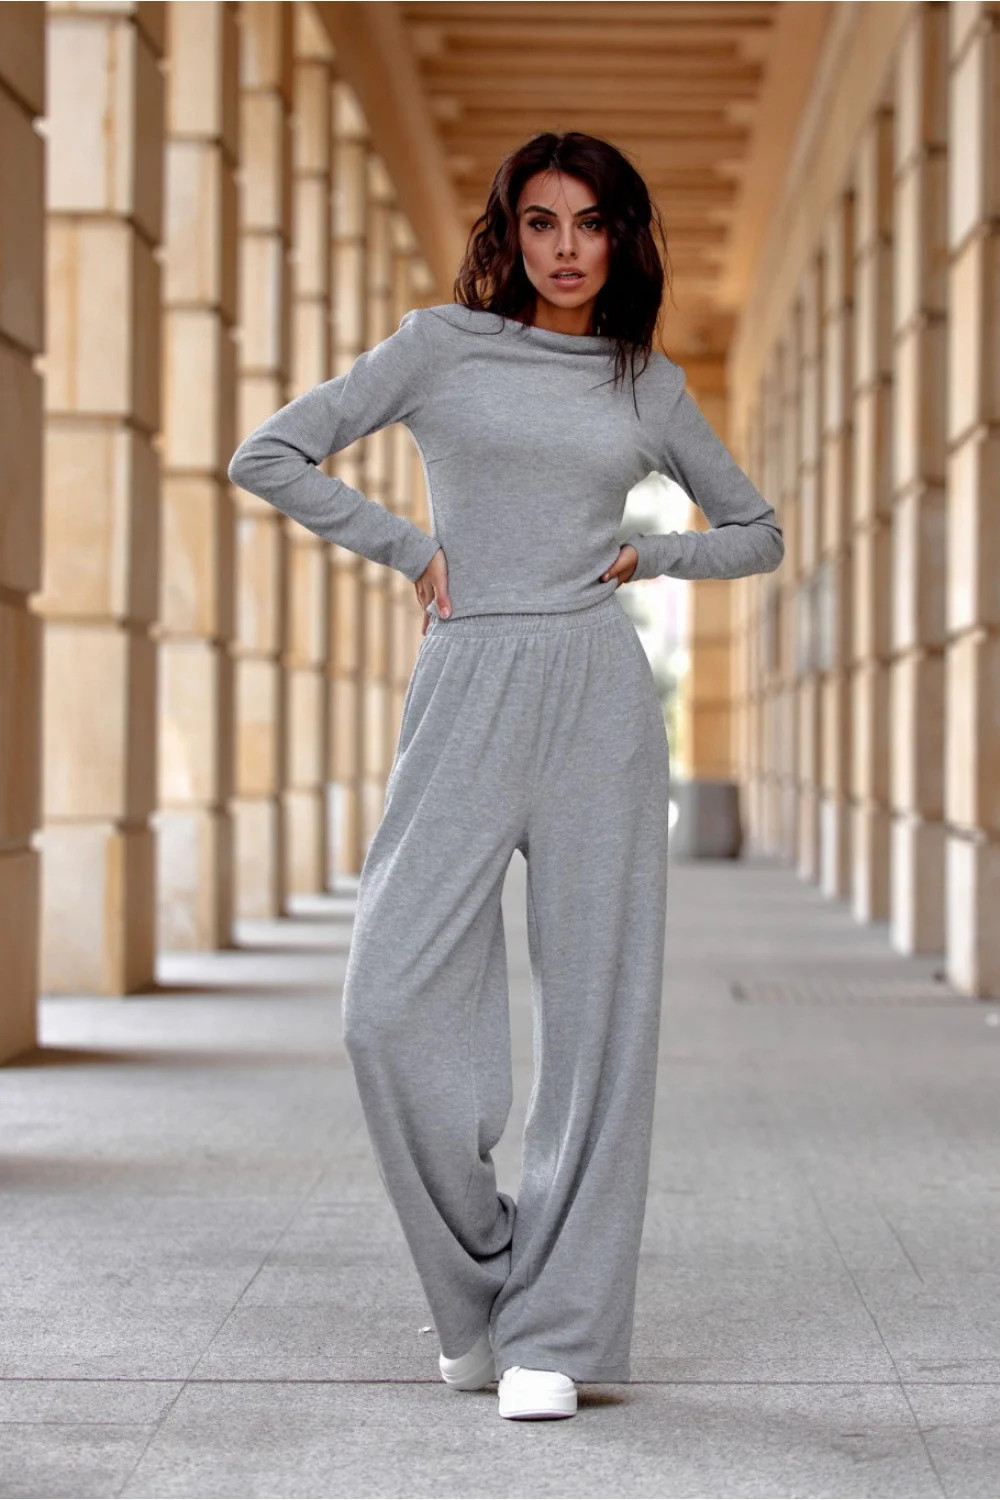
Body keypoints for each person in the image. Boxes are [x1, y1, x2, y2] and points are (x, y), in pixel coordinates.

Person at [227, 130, 784, 1422]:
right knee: (387, 1006)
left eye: (590, 223)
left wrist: (652, 556)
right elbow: (271, 454)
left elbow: (756, 532)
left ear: (624, 238)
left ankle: (556, 1332)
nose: (566, 248)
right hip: (467, 681)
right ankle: (481, 1286)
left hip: (596, 699)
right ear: (509, 234)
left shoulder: (646, 383)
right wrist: (411, 547)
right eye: (541, 222)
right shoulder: (439, 347)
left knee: (598, 1022)